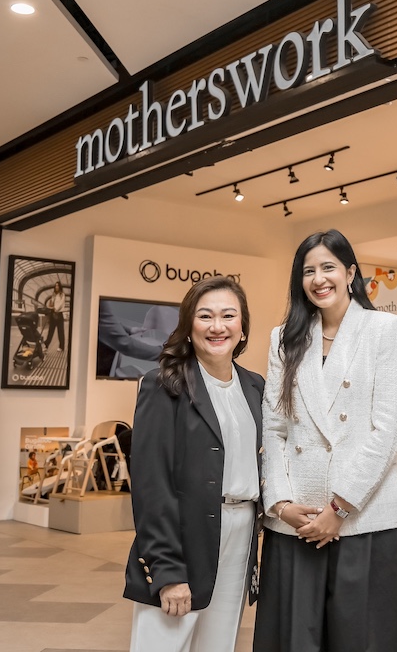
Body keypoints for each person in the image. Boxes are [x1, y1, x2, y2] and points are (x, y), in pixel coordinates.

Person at [254, 229, 397, 652]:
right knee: (293, 641)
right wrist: (281, 504)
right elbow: (274, 428)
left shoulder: (385, 329)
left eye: (328, 267)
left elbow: (389, 431)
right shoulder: (284, 337)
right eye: (308, 271)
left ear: (350, 273)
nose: (318, 279)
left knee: (365, 640)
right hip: (297, 522)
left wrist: (339, 508)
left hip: (364, 519)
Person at [123, 276, 264, 652]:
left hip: (241, 532)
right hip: (184, 538)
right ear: (188, 326)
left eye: (228, 316)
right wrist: (167, 569)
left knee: (219, 645)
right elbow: (151, 486)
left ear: (243, 326)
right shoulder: (163, 384)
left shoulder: (255, 387)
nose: (218, 326)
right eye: (205, 316)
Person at [45, 280, 67, 353]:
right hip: (53, 314)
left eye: (57, 285)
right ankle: (46, 345)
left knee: (60, 331)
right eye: (55, 286)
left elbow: (61, 303)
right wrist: (50, 307)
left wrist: (56, 308)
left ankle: (61, 347)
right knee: (50, 331)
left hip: (59, 314)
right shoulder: (53, 294)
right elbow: (51, 303)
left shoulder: (62, 294)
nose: (56, 287)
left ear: (60, 287)